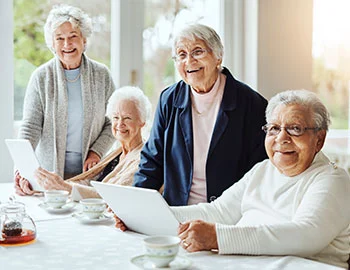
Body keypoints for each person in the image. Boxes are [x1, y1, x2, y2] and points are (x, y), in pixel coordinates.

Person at [115, 90, 350, 269]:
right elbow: (216, 212)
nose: (282, 138)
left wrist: (218, 237)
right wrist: (143, 216)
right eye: (274, 128)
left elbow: (304, 234)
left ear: (319, 139)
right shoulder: (263, 170)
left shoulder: (332, 180)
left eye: (295, 129)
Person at [134, 23, 268, 206]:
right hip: (177, 211)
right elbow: (152, 160)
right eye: (181, 54)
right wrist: (136, 207)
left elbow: (259, 171)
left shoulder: (252, 103)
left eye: (198, 52)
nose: (189, 61)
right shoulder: (169, 99)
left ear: (218, 57)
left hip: (228, 213)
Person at [16, 4, 115, 183]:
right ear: (52, 44)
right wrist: (22, 169)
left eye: (73, 36)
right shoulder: (41, 77)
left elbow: (113, 122)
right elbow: (30, 127)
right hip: (49, 174)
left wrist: (96, 152)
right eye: (60, 38)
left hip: (90, 173)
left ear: (84, 39)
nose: (67, 44)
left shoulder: (102, 75)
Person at [15, 86, 152, 200]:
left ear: (142, 121)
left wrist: (64, 188)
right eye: (116, 117)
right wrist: (40, 187)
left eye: (127, 118)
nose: (120, 124)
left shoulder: (143, 159)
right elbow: (88, 182)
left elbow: (113, 197)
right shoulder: (117, 153)